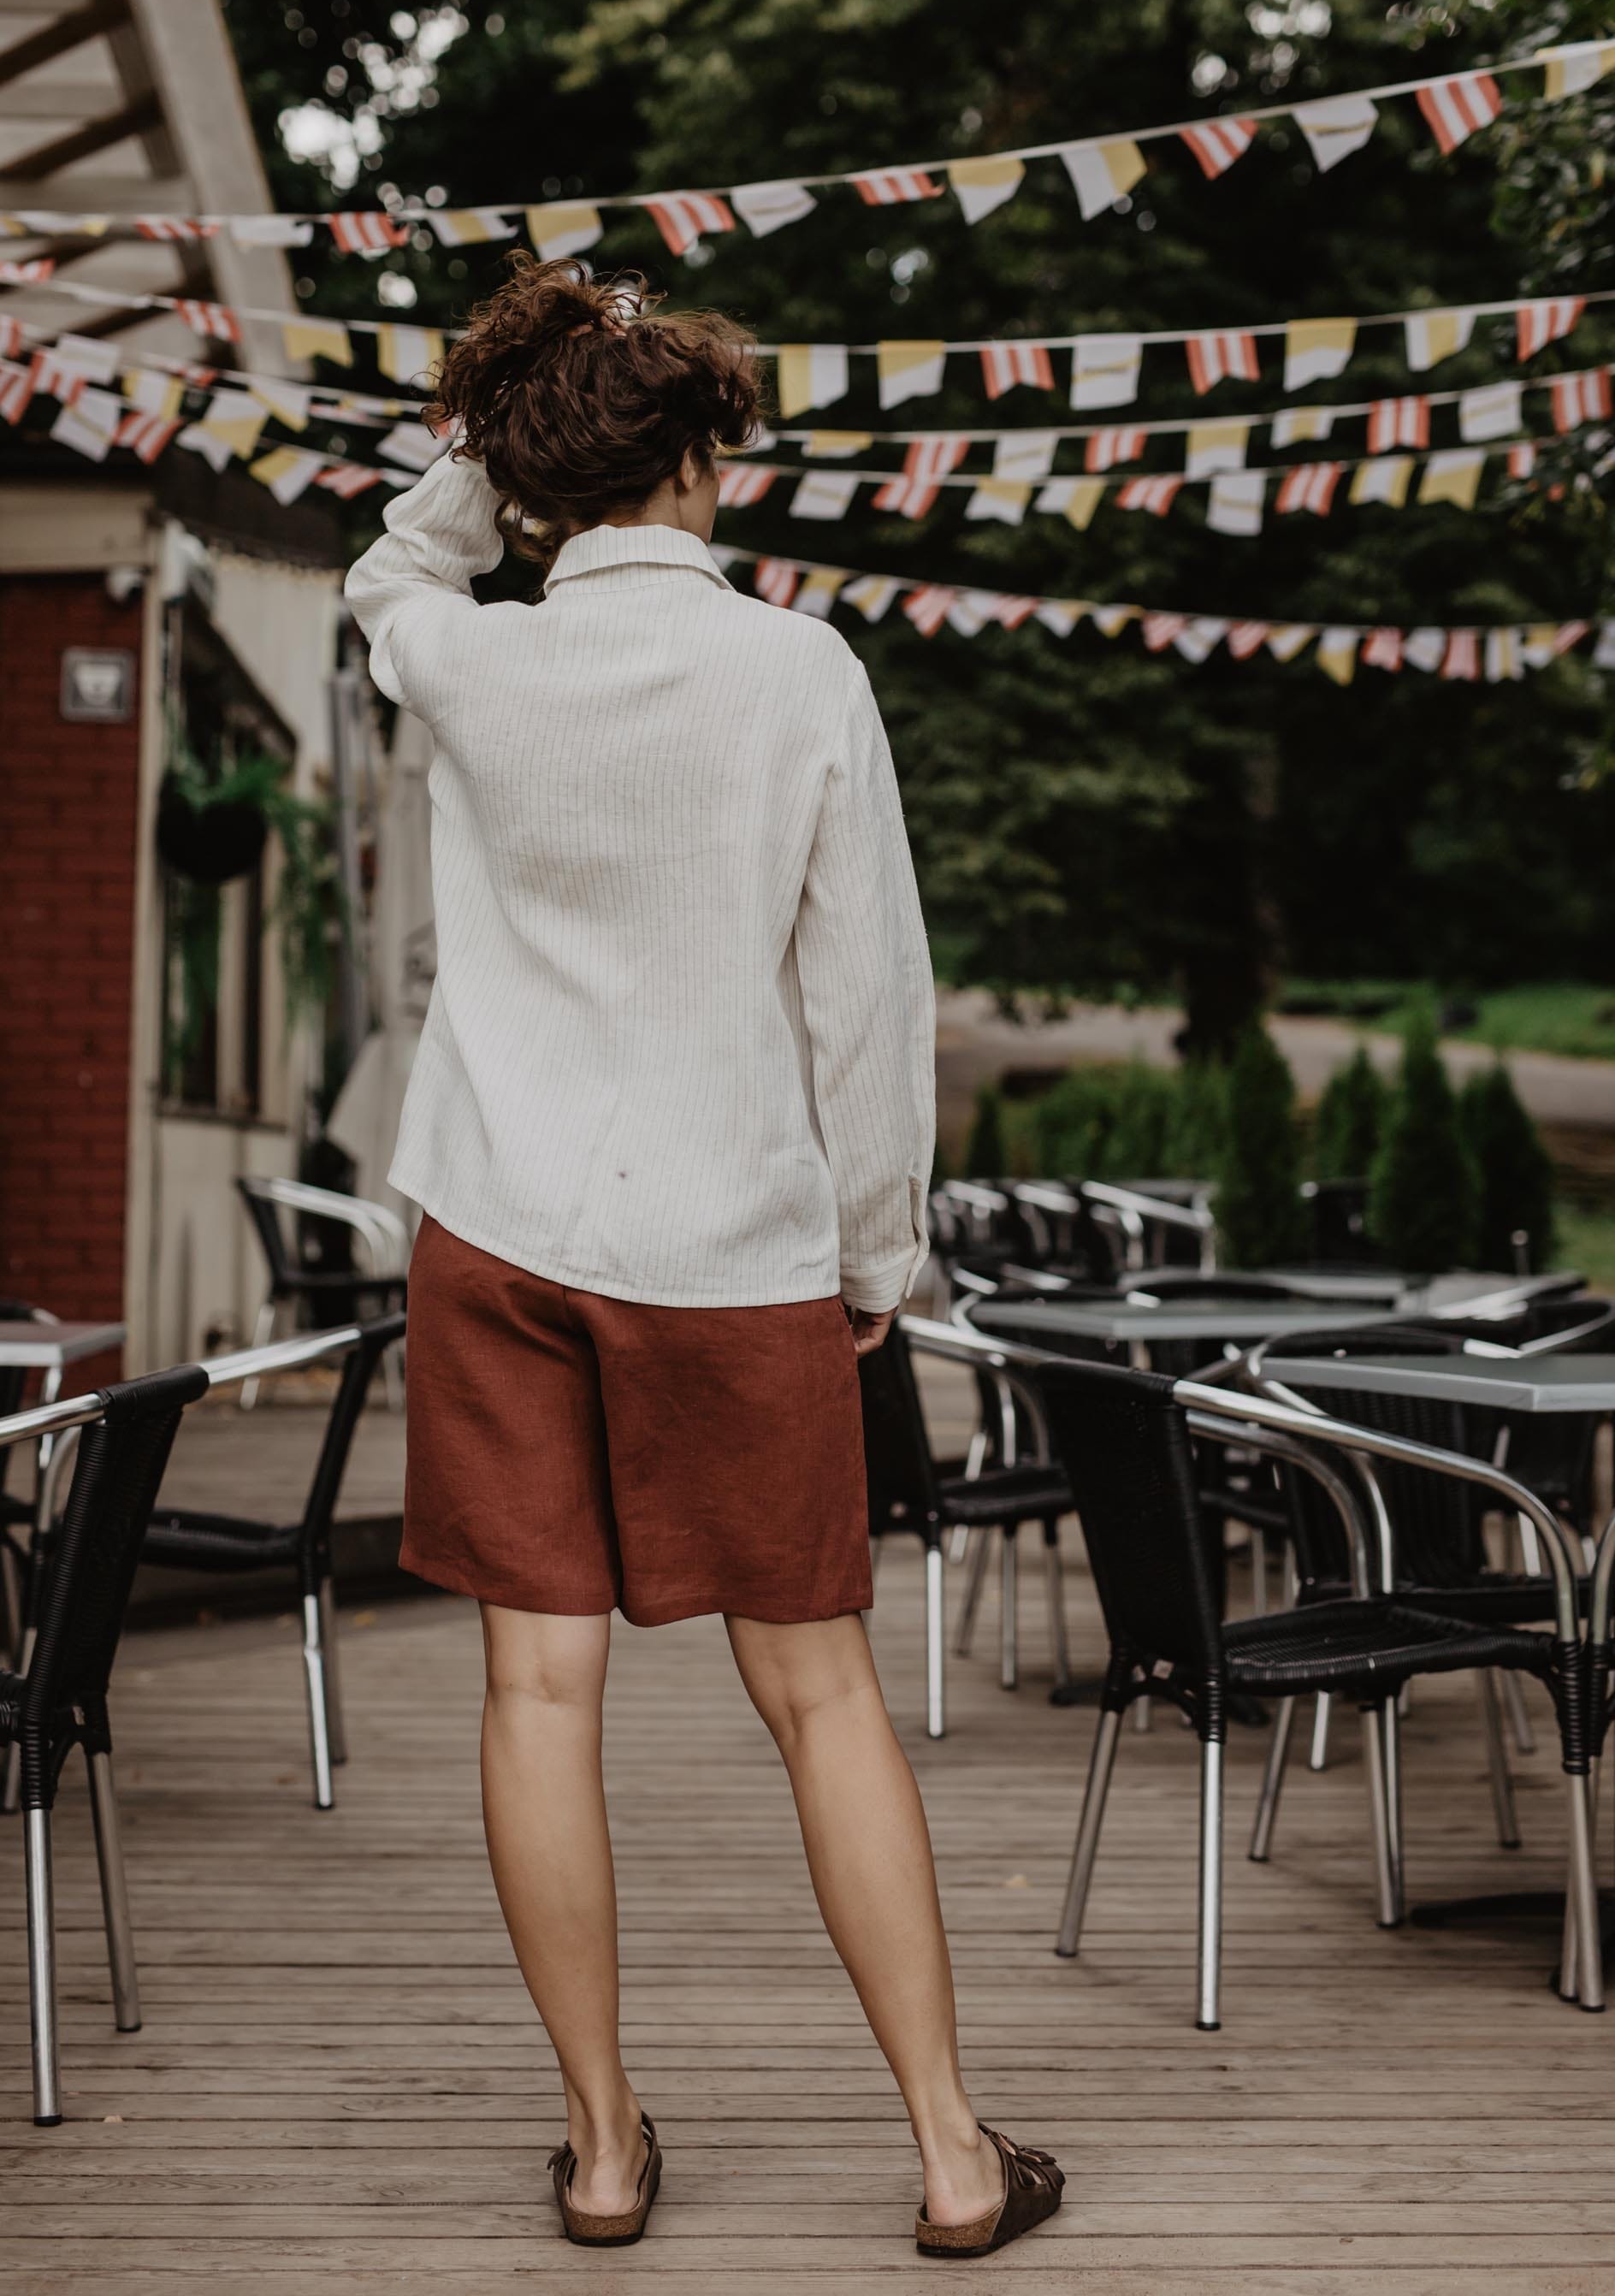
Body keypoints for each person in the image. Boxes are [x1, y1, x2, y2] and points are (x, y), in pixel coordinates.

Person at [342, 252, 1063, 2261]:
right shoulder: (800, 676)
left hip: (498, 1233)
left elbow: (388, 575)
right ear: (688, 459)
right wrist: (870, 1259)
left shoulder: (468, 658)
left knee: (535, 1694)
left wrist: (494, 453)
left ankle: (596, 2148)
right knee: (818, 1696)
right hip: (732, 1244)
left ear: (542, 481)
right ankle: (946, 2153)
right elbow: (865, 1000)